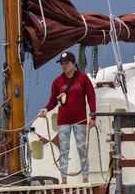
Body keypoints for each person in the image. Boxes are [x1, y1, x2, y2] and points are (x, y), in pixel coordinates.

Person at [39, 51, 97, 184]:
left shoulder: (82, 78)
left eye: (67, 63)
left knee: (82, 148)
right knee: (64, 149)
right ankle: (63, 178)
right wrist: (46, 109)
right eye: (62, 64)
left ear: (74, 64)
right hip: (63, 120)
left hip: (80, 120)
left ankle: (85, 177)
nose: (64, 66)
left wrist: (93, 115)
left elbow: (91, 97)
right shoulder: (57, 81)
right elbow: (53, 100)